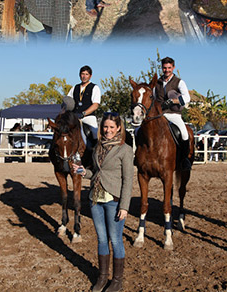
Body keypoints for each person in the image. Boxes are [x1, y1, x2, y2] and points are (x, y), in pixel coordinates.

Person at [73, 112, 134, 292]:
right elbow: (97, 173)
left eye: (111, 128)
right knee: (101, 240)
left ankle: (117, 280)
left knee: (115, 240)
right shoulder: (98, 147)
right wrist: (85, 172)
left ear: (119, 129)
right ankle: (102, 277)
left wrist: (124, 206)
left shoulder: (125, 150)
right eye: (105, 127)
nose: (108, 131)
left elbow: (128, 180)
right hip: (95, 199)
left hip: (114, 201)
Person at [153, 56, 192, 170]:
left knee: (184, 134)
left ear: (173, 68)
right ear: (162, 68)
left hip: (173, 114)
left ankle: (184, 160)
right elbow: (154, 98)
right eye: (164, 68)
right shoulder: (157, 83)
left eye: (169, 68)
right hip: (159, 114)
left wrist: (173, 101)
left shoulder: (179, 82)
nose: (167, 70)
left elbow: (187, 98)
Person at [68, 65, 101, 142]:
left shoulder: (94, 87)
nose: (84, 76)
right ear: (79, 75)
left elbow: (95, 105)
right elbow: (68, 101)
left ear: (90, 76)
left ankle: (96, 151)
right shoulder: (75, 87)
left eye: (86, 74)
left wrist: (84, 113)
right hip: (75, 117)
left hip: (88, 117)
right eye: (83, 74)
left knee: (95, 132)